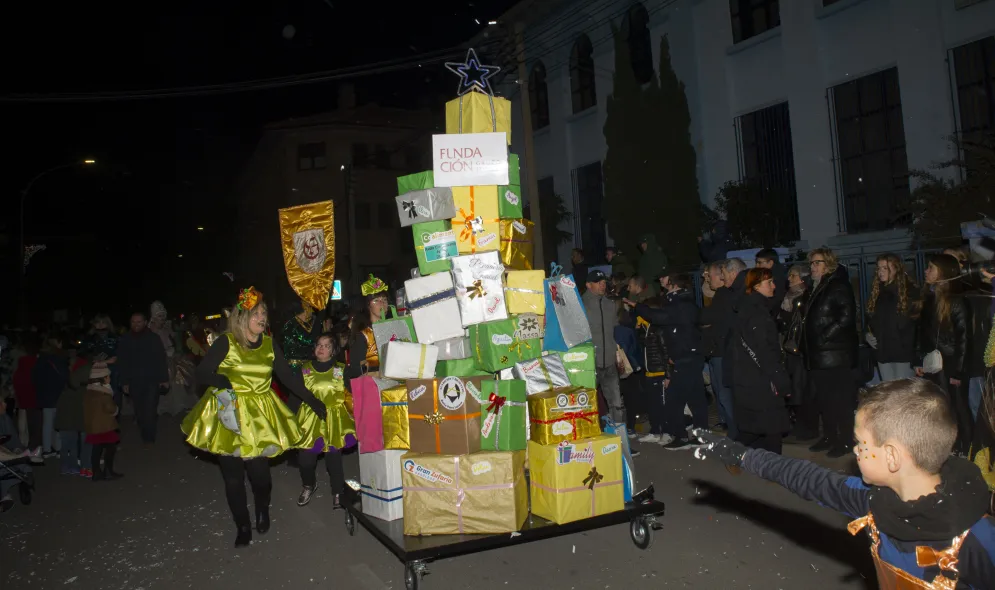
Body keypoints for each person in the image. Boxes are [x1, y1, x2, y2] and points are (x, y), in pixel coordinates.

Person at [693, 379, 995, 588]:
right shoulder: (874, 500)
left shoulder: (975, 539)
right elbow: (804, 478)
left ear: (891, 456)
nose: (855, 450)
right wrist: (743, 456)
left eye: (861, 444)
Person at [183, 287, 327, 548]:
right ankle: (242, 525)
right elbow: (202, 373)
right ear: (241, 317)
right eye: (256, 314)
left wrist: (314, 401)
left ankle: (262, 508)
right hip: (229, 412)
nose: (262, 318)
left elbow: (289, 379)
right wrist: (222, 381)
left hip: (259, 416)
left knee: (260, 476)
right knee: (233, 477)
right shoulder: (226, 342)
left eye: (264, 313)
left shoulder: (270, 345)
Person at [627, 273, 707, 450]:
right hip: (689, 355)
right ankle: (701, 436)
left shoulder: (681, 303)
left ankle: (681, 437)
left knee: (674, 399)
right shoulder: (680, 300)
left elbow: (661, 318)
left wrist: (638, 307)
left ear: (674, 281)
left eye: (664, 277)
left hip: (685, 356)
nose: (661, 281)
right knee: (695, 398)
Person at [800, 247, 858, 458]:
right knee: (824, 399)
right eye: (812, 263)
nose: (812, 267)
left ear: (829, 264)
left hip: (834, 355)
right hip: (819, 354)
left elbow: (846, 317)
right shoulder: (817, 286)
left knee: (839, 401)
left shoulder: (838, 285)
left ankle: (844, 440)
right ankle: (830, 436)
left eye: (817, 263)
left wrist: (823, 337)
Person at [728, 268, 791, 454]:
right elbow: (765, 351)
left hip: (750, 375)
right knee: (771, 424)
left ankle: (738, 453)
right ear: (756, 286)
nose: (774, 285)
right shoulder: (757, 313)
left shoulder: (750, 308)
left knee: (762, 425)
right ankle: (771, 465)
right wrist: (780, 380)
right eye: (769, 282)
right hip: (760, 377)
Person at [916, 254, 972, 456]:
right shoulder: (930, 298)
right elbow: (922, 332)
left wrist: (959, 371)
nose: (926, 271)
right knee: (942, 408)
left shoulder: (956, 301)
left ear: (943, 273)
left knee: (958, 408)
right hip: (934, 362)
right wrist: (918, 360)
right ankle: (952, 447)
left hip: (950, 364)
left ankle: (968, 449)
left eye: (931, 267)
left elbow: (965, 339)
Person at [295, 334, 356, 509]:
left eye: (327, 346)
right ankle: (309, 485)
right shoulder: (304, 369)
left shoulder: (341, 370)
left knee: (334, 458)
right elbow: (296, 396)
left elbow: (355, 393)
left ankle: (338, 491)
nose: (322, 348)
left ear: (333, 350)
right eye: (319, 345)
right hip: (310, 420)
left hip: (334, 421)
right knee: (306, 459)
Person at [865, 253, 919, 382]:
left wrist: (916, 356)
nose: (880, 272)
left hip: (903, 353)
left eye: (885, 268)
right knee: (890, 394)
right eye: (879, 268)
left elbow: (916, 326)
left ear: (896, 269)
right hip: (883, 352)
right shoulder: (878, 292)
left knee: (903, 394)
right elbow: (871, 321)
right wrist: (867, 333)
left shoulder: (909, 291)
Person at [117, 312, 170, 443]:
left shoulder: (153, 338)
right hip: (134, 381)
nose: (136, 324)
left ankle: (149, 438)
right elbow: (123, 362)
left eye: (139, 322)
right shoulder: (125, 339)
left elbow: (161, 359)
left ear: (145, 322)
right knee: (139, 412)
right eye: (133, 322)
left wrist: (164, 379)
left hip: (151, 380)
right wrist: (124, 381)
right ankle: (144, 432)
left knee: (150, 409)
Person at [582, 270, 625, 426]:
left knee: (616, 404)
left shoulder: (610, 304)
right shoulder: (581, 305)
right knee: (586, 404)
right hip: (589, 364)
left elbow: (615, 330)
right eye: (598, 282)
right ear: (588, 285)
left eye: (604, 282)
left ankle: (620, 442)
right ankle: (591, 441)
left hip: (610, 362)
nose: (603, 285)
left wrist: (618, 356)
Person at [699, 261, 733, 435]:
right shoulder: (719, 294)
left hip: (720, 350)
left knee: (724, 391)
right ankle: (725, 421)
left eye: (709, 275)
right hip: (714, 349)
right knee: (719, 389)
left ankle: (734, 428)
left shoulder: (725, 295)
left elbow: (708, 317)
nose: (707, 279)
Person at [633, 297, 671, 445]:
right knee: (652, 405)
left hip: (660, 373)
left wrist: (668, 375)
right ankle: (655, 431)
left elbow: (666, 353)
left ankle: (667, 431)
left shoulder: (658, 329)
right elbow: (640, 346)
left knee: (663, 404)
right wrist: (638, 329)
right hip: (649, 372)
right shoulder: (647, 328)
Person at [779, 265, 811, 440]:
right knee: (792, 386)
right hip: (787, 348)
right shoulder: (788, 297)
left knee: (799, 387)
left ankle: (803, 427)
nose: (789, 278)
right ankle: (794, 423)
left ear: (802, 278)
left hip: (799, 348)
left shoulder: (804, 297)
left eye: (793, 276)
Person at [345, 275, 391, 387]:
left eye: (384, 300)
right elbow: (356, 368)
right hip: (371, 386)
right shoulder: (363, 334)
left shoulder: (392, 328)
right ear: (368, 305)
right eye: (376, 300)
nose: (382, 303)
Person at [55, 354, 94, 477]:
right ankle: (85, 467)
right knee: (84, 442)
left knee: (68, 444)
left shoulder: (68, 387)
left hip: (65, 421)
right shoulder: (84, 389)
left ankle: (68, 466)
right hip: (80, 421)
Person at [84, 363, 123, 482]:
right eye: (108, 376)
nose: (110, 379)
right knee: (111, 448)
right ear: (103, 378)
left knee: (96, 449)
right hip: (105, 426)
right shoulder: (104, 394)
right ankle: (108, 471)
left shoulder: (89, 391)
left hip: (93, 426)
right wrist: (116, 409)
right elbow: (111, 409)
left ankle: (96, 472)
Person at [32, 333, 68, 458]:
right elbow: (64, 376)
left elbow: (35, 377)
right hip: (57, 393)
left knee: (47, 423)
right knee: (58, 423)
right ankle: (58, 448)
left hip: (44, 393)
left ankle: (47, 449)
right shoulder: (59, 358)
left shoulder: (41, 358)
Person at [12, 334, 41, 457]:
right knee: (32, 419)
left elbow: (17, 375)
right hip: (32, 392)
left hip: (21, 390)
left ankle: (22, 441)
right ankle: (30, 443)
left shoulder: (20, 360)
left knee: (22, 416)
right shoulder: (36, 361)